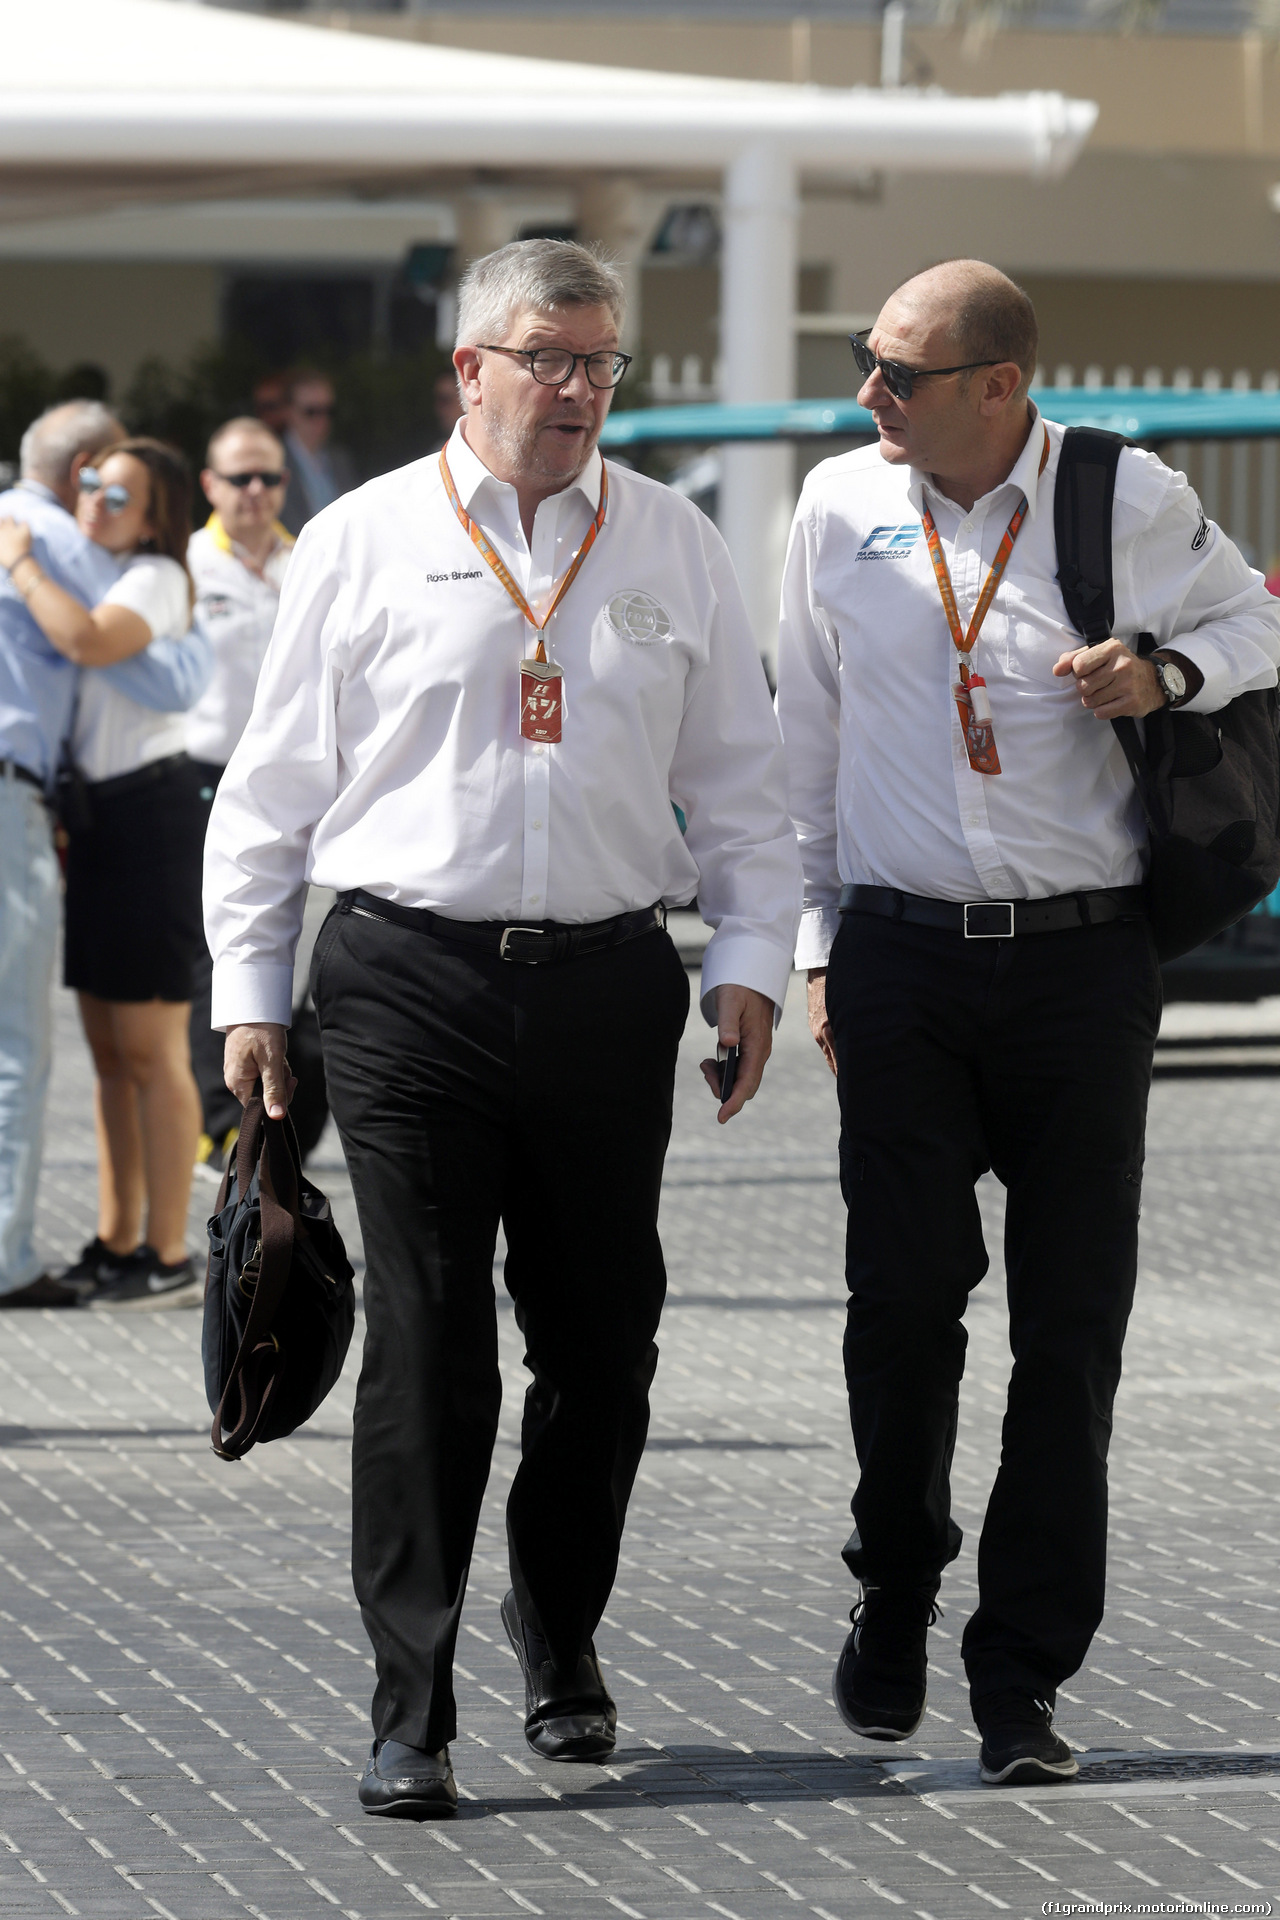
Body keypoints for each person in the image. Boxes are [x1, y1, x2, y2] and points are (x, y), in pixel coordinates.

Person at [205, 238, 802, 1817]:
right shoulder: (359, 539)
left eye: (601, 363)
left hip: (610, 981)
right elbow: (268, 795)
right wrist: (251, 990)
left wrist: (751, 958)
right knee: (429, 1338)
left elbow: (745, 781)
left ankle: (562, 1635)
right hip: (407, 982)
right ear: (470, 368)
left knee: (602, 1345)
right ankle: (412, 1700)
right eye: (550, 357)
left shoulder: (671, 541)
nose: (579, 389)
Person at [777, 258, 1280, 1788]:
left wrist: (1164, 667)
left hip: (1079, 966)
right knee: (901, 1303)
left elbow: (1261, 630)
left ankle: (1024, 1677)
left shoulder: (1124, 496)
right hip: (902, 959)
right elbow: (808, 728)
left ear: (998, 388)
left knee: (1071, 1332)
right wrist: (811, 940)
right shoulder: (834, 507)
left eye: (899, 375)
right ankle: (895, 1582)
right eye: (866, 364)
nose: (870, 395)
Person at [0, 403, 211, 1308]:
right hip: (93, 820)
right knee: (108, 1053)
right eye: (87, 484)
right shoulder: (104, 574)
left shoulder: (155, 575)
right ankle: (114, 1237)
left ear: (154, 512)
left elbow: (83, 641)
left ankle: (165, 1250)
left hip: (152, 818)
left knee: (153, 1048)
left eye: (115, 491)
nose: (93, 500)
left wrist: (17, 560)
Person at [186, 418, 294, 1164]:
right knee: (214, 954)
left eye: (269, 479)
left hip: (298, 785)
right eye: (239, 479)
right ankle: (214, 1123)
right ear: (209, 485)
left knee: (304, 952)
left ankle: (288, 1116)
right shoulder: (184, 564)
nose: (255, 493)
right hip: (202, 783)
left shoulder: (313, 556)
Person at [279, 372, 357, 536]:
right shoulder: (274, 462)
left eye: (328, 411)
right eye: (311, 412)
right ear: (289, 412)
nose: (321, 420)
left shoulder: (340, 459)